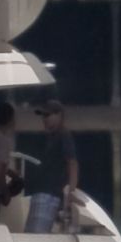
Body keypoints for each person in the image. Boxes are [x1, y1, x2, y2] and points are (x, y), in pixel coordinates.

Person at [23, 99, 78, 233]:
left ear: (58, 115)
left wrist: (71, 191)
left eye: (47, 115)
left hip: (50, 194)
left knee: (37, 235)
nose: (44, 119)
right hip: (40, 192)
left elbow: (72, 163)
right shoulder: (49, 137)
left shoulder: (64, 136)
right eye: (43, 116)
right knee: (30, 234)